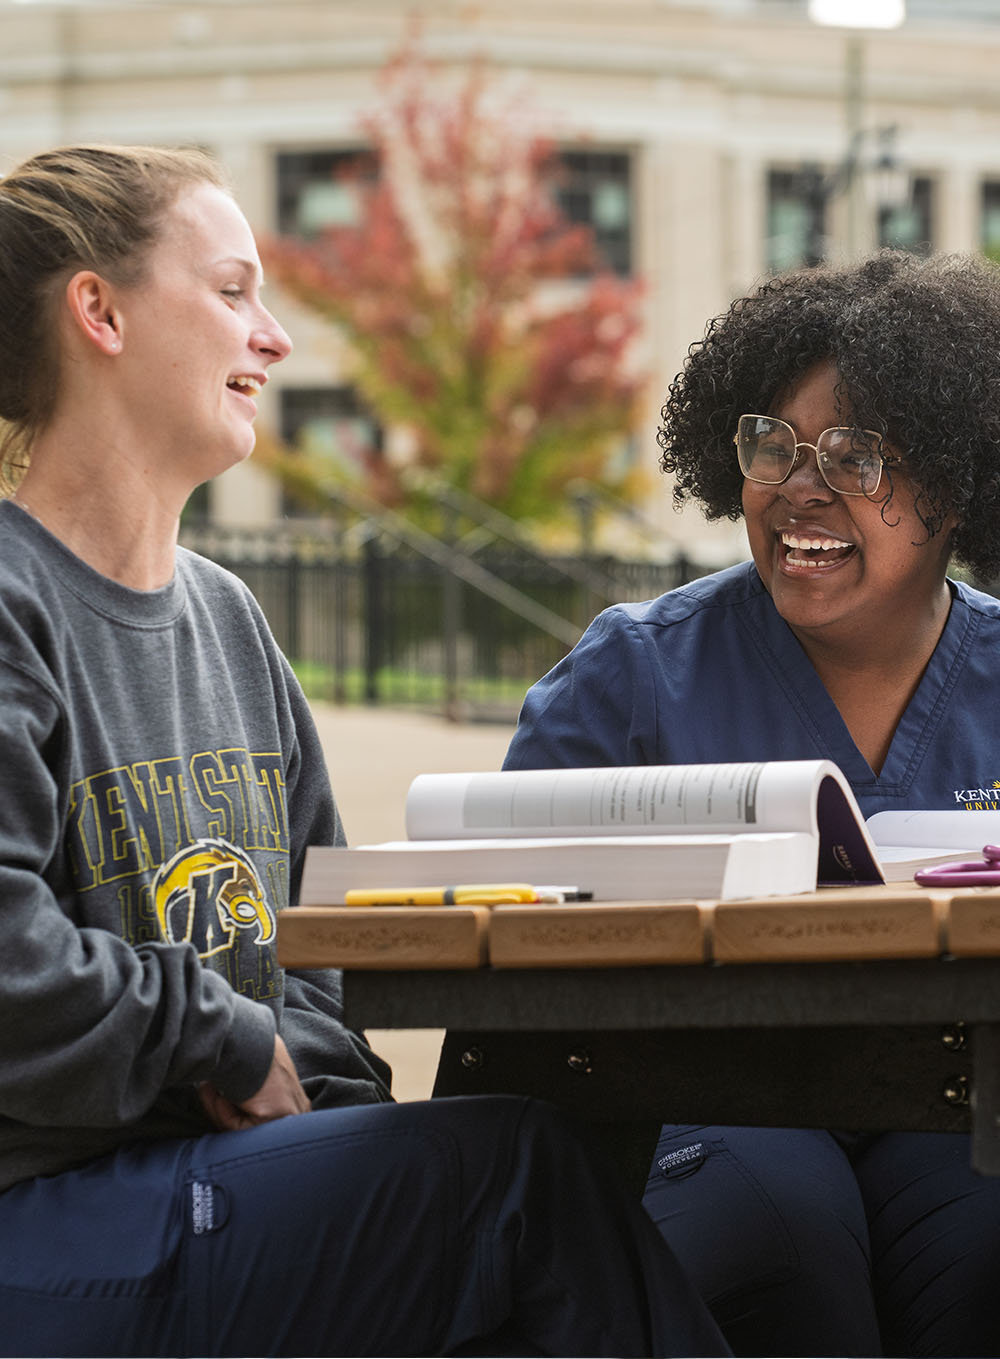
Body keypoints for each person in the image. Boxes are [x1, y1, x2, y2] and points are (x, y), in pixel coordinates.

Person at [0, 143, 731, 1359]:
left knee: (497, 1185)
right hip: (47, 1220)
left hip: (217, 1187)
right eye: (233, 291)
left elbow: (317, 960)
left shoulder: (230, 621)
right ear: (100, 310)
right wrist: (224, 1037)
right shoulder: (13, 603)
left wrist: (351, 1135)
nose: (274, 337)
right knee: (519, 1177)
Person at [504, 249, 1000, 1358]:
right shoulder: (630, 679)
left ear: (960, 482)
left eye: (856, 455)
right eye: (771, 445)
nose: (797, 488)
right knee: (776, 1242)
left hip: (959, 1101)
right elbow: (505, 958)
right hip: (706, 1094)